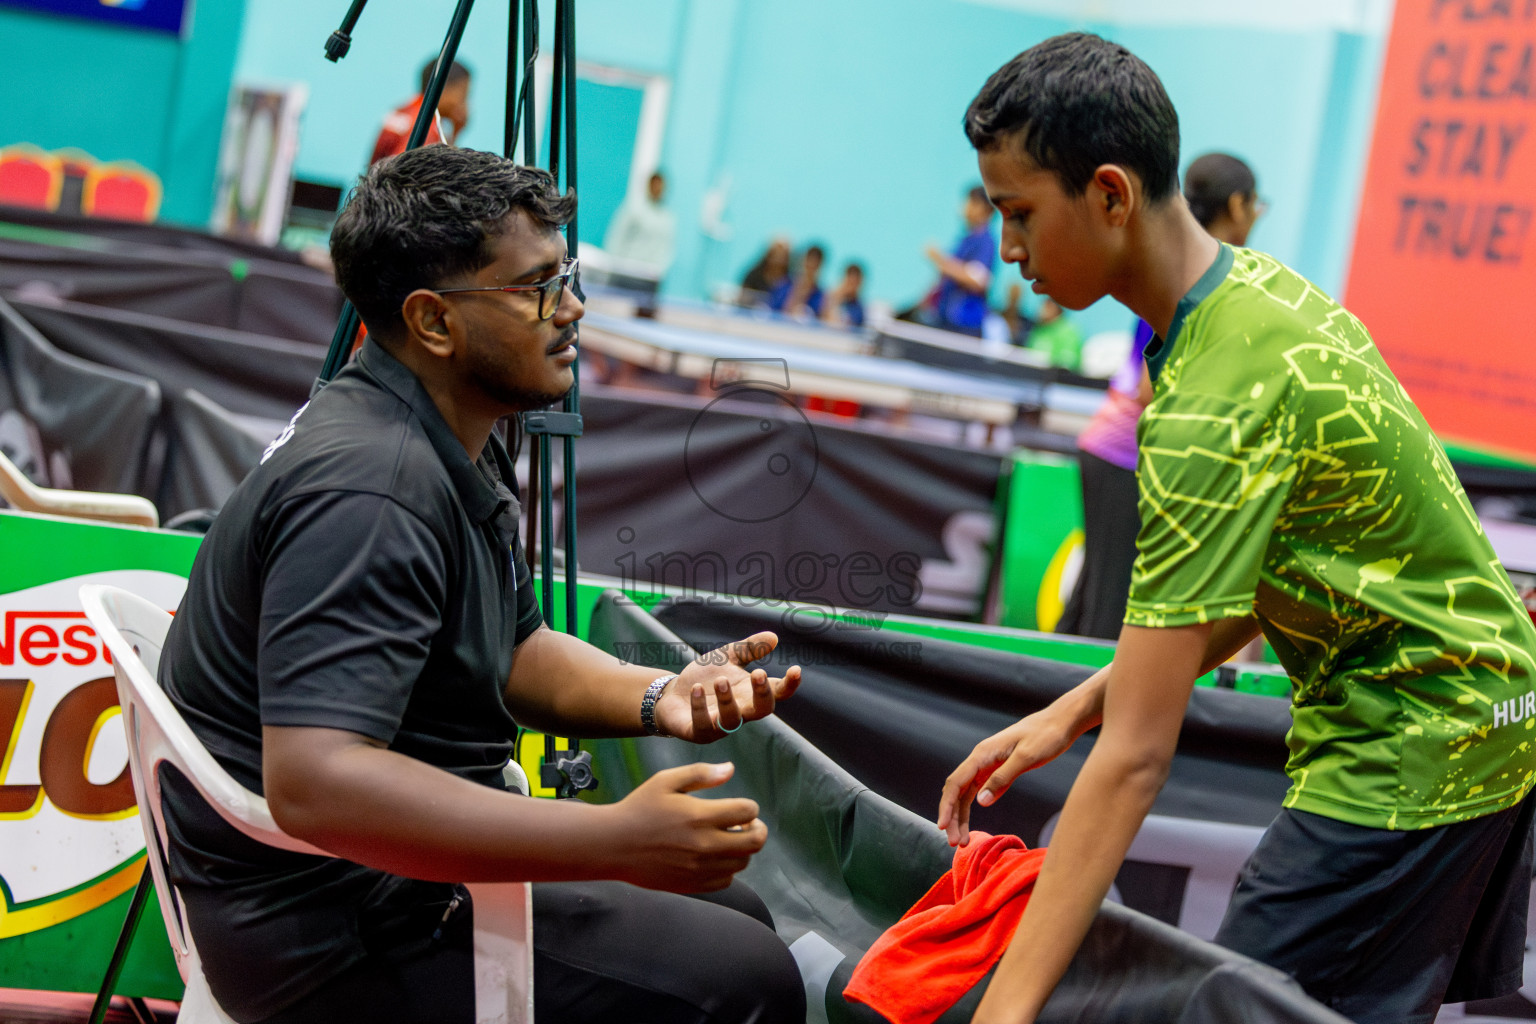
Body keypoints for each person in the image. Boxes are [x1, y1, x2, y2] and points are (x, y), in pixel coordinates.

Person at [937, 33, 1536, 1024]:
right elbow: (1260, 586)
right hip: (1482, 701)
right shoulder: (1257, 296)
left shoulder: (1212, 402)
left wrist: (1006, 1013)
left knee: (1240, 1008)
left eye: (1020, 214)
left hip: (1417, 737)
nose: (1008, 250)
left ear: (1112, 195)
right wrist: (1072, 708)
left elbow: (1136, 762)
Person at [157, 146, 806, 1024]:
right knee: (748, 980)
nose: (571, 309)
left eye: (566, 275)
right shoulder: (372, 491)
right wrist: (613, 837)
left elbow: (512, 647)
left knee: (739, 916)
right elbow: (317, 783)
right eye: (537, 285)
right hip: (332, 929)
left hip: (383, 881)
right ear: (433, 322)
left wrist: (660, 696)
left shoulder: (451, 424)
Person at [1057, 152, 1262, 640]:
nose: (1256, 217)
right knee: (1108, 613)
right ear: (1237, 206)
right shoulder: (1194, 272)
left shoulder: (1186, 260)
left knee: (1090, 598)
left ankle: (1035, 707)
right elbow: (1153, 388)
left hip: (1112, 451)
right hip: (1125, 456)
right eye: (1256, 206)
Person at [912, 186, 997, 336]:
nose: (966, 207)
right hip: (946, 318)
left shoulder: (985, 242)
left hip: (965, 326)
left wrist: (941, 260)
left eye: (972, 203)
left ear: (985, 210)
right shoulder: (966, 240)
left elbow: (977, 280)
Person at [370, 59, 472, 167]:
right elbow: (411, 171)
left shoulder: (407, 109)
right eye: (463, 95)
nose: (465, 104)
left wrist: (456, 131)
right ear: (443, 89)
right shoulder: (425, 126)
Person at [603, 170, 677, 274]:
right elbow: (617, 236)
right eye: (654, 185)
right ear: (649, 185)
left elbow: (668, 248)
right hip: (627, 271)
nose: (657, 189)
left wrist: (660, 269)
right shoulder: (634, 209)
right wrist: (614, 265)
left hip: (651, 275)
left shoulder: (667, 219)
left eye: (660, 186)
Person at [770, 243, 826, 318]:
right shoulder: (785, 285)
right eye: (809, 262)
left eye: (815, 264)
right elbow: (776, 311)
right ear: (804, 261)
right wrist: (798, 292)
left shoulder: (819, 295)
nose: (811, 267)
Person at [738, 237, 791, 307]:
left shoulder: (789, 280)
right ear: (769, 255)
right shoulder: (754, 275)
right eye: (775, 254)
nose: (778, 258)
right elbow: (743, 296)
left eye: (783, 255)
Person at [822, 261, 867, 329]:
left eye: (855, 282)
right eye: (850, 282)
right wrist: (837, 298)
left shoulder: (858, 307)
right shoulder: (831, 297)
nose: (852, 286)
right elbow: (824, 318)